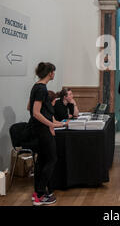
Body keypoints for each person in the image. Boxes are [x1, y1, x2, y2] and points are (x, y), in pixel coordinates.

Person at [29, 62, 66, 206]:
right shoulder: (41, 89)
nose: (54, 74)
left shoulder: (36, 87)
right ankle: (40, 194)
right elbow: (35, 112)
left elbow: (29, 107)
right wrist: (51, 124)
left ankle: (37, 193)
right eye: (54, 72)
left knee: (42, 161)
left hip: (39, 129)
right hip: (42, 130)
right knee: (51, 159)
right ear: (50, 73)